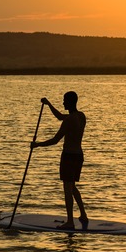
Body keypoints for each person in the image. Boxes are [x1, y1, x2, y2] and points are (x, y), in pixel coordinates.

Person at [30, 92, 88, 230]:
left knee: (67, 188)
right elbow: (60, 117)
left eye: (64, 101)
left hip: (69, 156)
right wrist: (49, 104)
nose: (63, 103)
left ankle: (70, 222)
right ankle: (83, 215)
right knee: (72, 186)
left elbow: (55, 140)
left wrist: (37, 145)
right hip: (79, 155)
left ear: (70, 102)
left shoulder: (69, 120)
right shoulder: (81, 116)